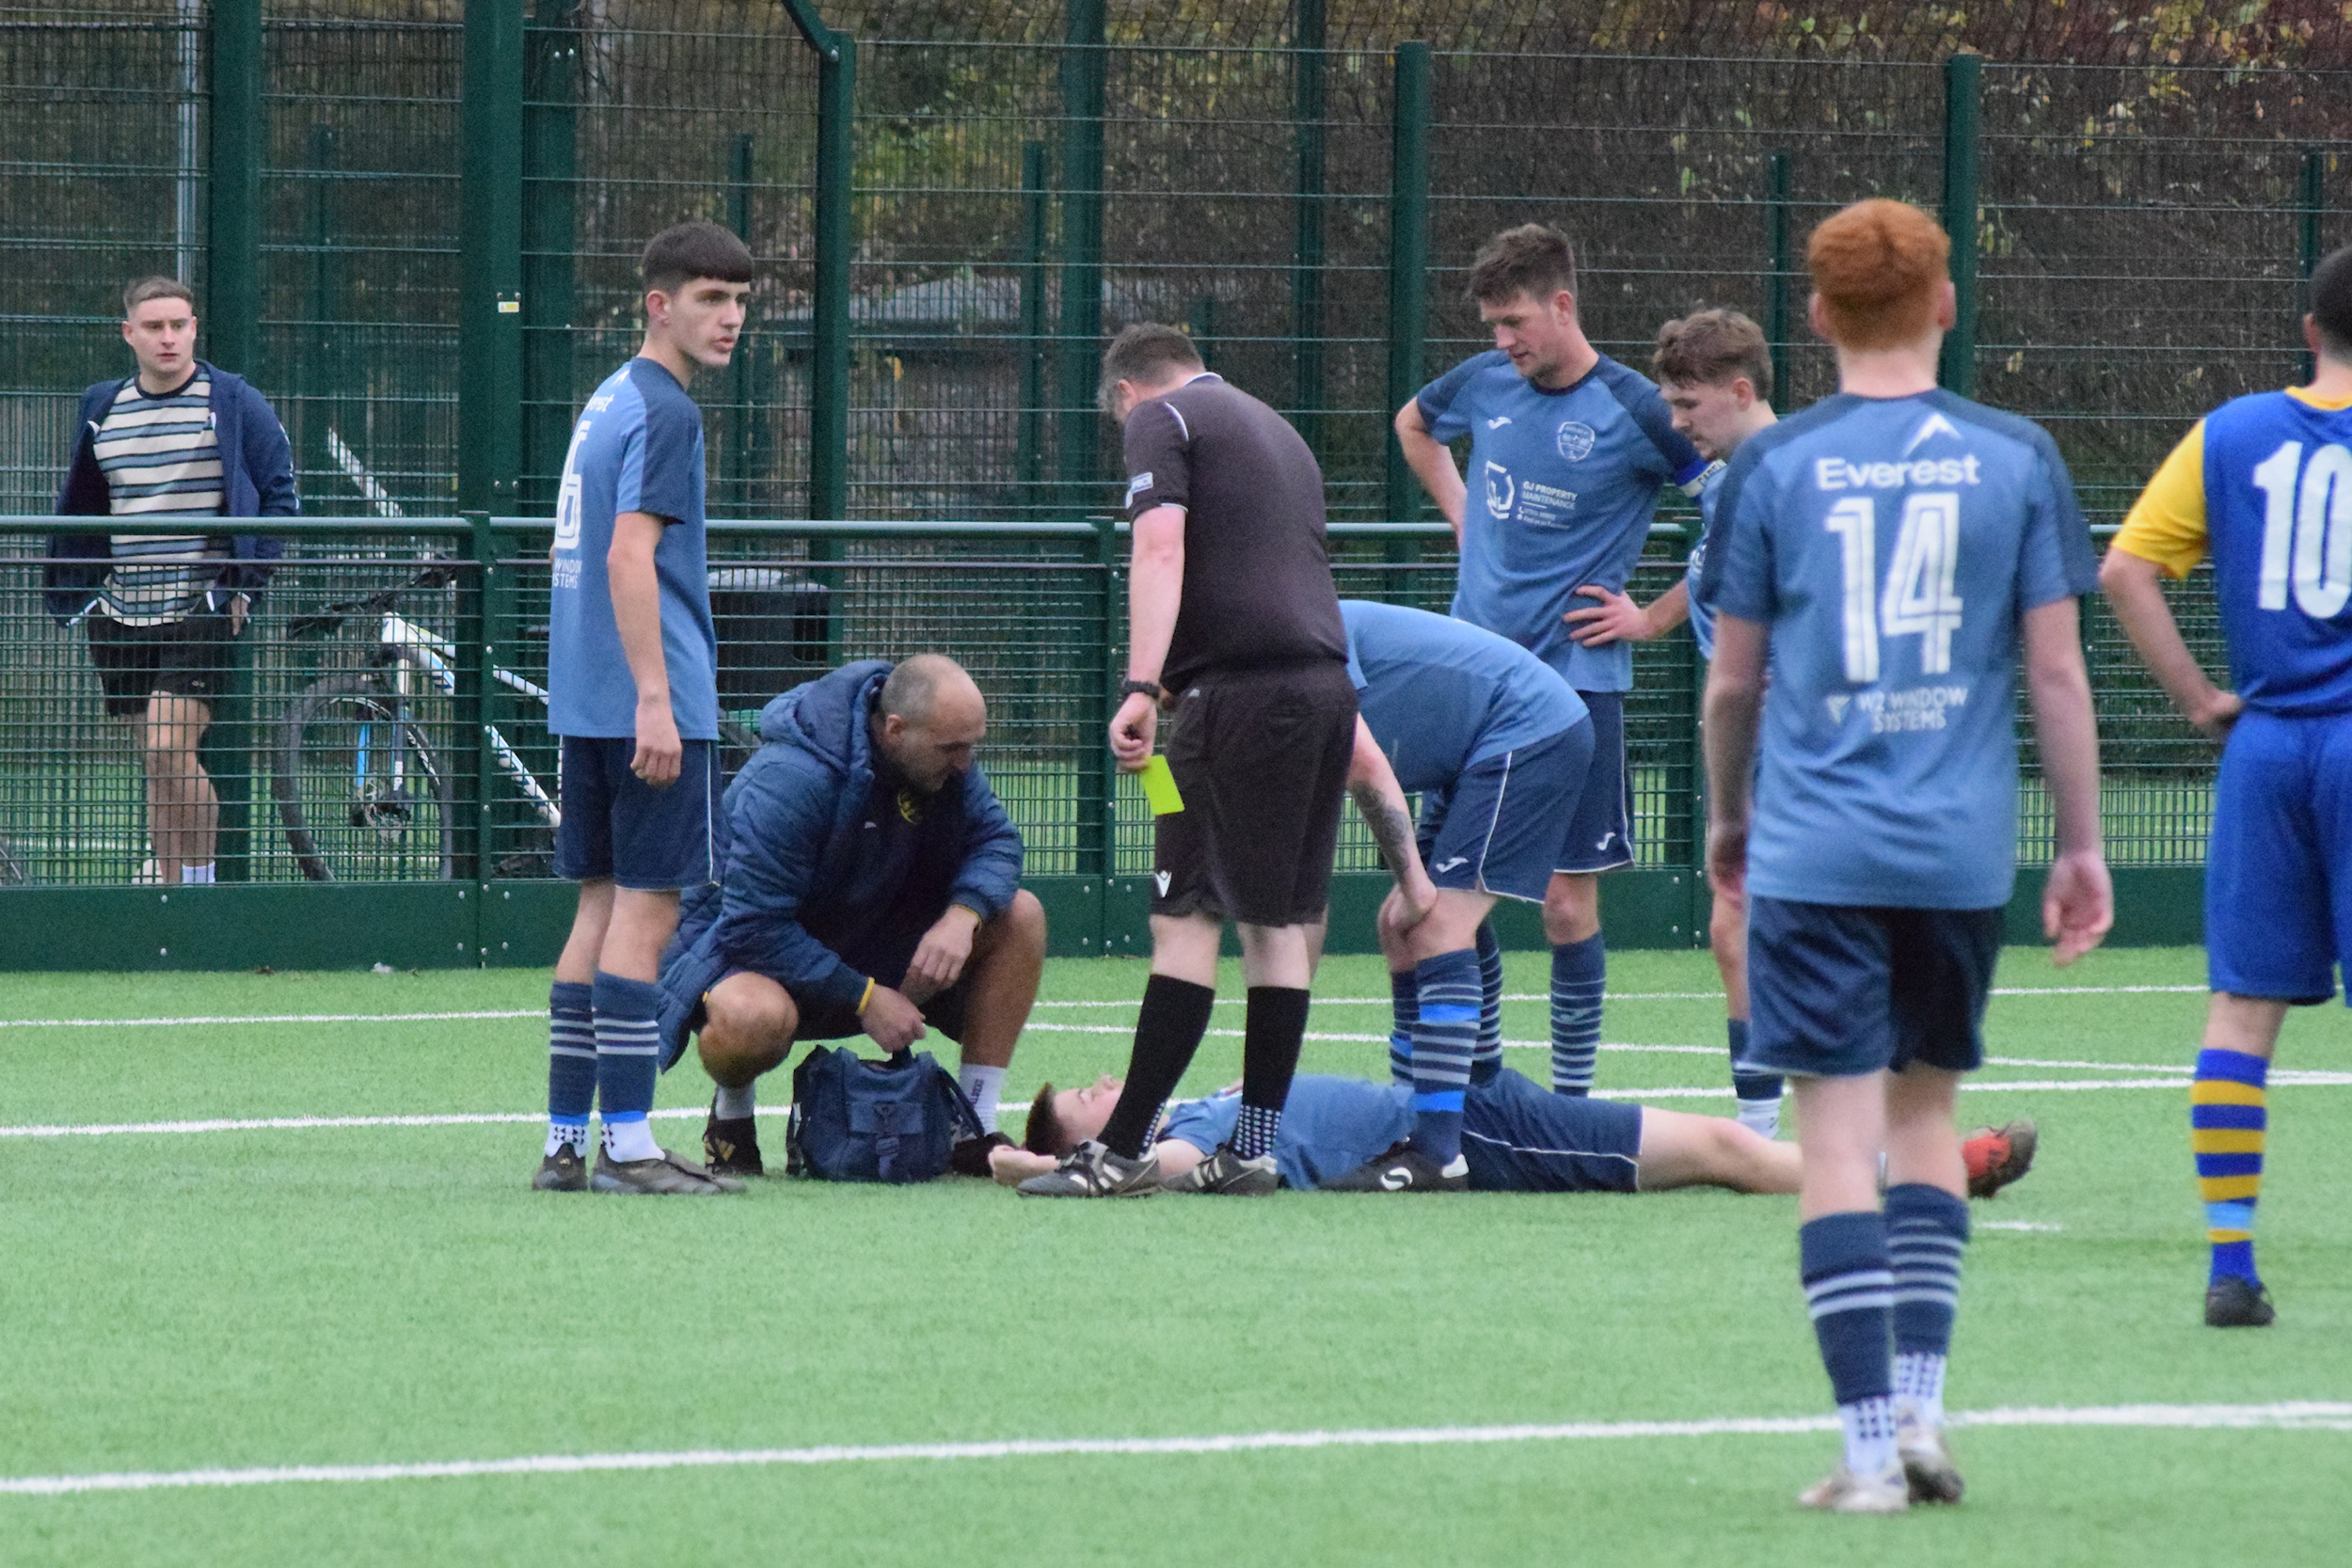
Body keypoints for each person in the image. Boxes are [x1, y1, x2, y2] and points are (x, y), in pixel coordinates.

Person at [1700, 199, 2109, 1513]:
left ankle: (1870, 1448)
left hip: (1815, 851)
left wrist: (1727, 818)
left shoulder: (1775, 467)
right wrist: (2083, 840)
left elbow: (1729, 687)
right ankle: (1926, 1408)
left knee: (1836, 1137)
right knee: (1928, 1116)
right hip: (1958, 853)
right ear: (1946, 301)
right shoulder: (2020, 455)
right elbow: (2055, 668)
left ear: (1813, 318)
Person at [1018, 325, 1357, 1198]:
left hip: (1238, 698)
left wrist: (1139, 683)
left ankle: (1118, 1152)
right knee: (1275, 926)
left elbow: (1160, 545)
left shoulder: (1159, 416)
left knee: (1186, 922)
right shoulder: (1276, 428)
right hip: (1323, 692)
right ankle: (1251, 1151)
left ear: (1126, 392)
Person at [2097, 241, 2352, 1331]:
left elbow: (2123, 569)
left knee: (2241, 1009)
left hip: (2265, 746)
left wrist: (2202, 698)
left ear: (2309, 330)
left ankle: (2230, 1263)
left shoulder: (2231, 431)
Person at [1395, 224, 1711, 1101]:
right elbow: (1415, 426)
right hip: (1473, 679)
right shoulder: (1487, 379)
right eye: (1493, 324)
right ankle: (1482, 1074)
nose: (1503, 341)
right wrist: (1464, 516)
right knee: (1446, 885)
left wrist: (1650, 617)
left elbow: (1739, 517)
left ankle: (1571, 1102)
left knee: (1567, 906)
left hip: (1575, 688)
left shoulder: (1641, 408)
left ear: (1563, 305)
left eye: (1514, 321)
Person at [532, 221, 751, 1197]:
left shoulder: (606, 397)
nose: (731, 318)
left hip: (586, 698)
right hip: (645, 705)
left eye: (741, 301)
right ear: (659, 304)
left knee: (594, 907)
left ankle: (563, 1144)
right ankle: (627, 1145)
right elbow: (627, 555)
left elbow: (561, 553)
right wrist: (657, 700)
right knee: (645, 913)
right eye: (711, 299)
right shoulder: (667, 412)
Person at [656, 654, 1045, 1175]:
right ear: (894, 729)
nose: (964, 763)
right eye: (952, 748)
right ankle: (731, 1119)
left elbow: (996, 839)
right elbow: (751, 927)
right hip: (756, 957)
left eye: (971, 746)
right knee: (753, 1019)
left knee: (1020, 915)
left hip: (863, 938)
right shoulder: (791, 777)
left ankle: (972, 1125)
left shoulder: (948, 764)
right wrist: (863, 996)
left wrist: (961, 915)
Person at [1566, 308, 1788, 1136]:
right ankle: (1790, 1128)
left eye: (1689, 405)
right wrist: (1651, 620)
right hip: (1794, 736)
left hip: (1783, 738)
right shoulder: (1753, 469)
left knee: (1743, 927)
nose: (1676, 422)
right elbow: (1711, 576)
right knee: (1762, 930)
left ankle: (1768, 1135)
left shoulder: (1761, 474)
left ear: (1738, 391)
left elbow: (1750, 652)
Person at [1323, 597, 1593, 1190]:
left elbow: (1364, 768)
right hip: (1477, 748)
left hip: (1529, 727)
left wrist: (1415, 884)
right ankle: (1449, 1108)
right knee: (1400, 924)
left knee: (1436, 923)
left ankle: (1440, 1151)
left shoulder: (1294, 638)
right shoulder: (1245, 656)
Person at [46, 276, 293, 885]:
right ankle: (167, 894)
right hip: (120, 610)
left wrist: (242, 586)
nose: (168, 338)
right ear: (128, 333)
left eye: (178, 325)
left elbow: (280, 500)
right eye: (153, 326)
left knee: (167, 746)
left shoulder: (233, 400)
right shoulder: (102, 406)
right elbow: (85, 502)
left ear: (193, 329)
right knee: (158, 764)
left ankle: (201, 890)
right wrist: (83, 589)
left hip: (199, 606)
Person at [993, 1071, 2036, 1202]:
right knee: (1724, 1149)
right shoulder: (1186, 1136)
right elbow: (1161, 1173)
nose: (1100, 1083)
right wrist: (1031, 1161)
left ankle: (1927, 1166)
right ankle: (1942, 1170)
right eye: (1081, 1097)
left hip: (1463, 1100)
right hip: (1479, 1134)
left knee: (1720, 1144)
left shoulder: (1212, 1102)